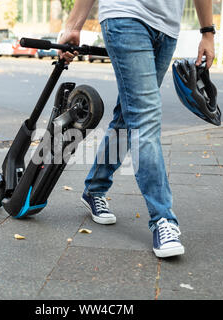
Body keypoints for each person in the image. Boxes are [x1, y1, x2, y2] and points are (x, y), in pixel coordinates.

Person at [59, 0, 215, 258]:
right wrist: (74, 25)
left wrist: (207, 33)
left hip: (167, 27)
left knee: (128, 115)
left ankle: (95, 188)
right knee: (145, 117)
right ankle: (163, 220)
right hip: (125, 15)